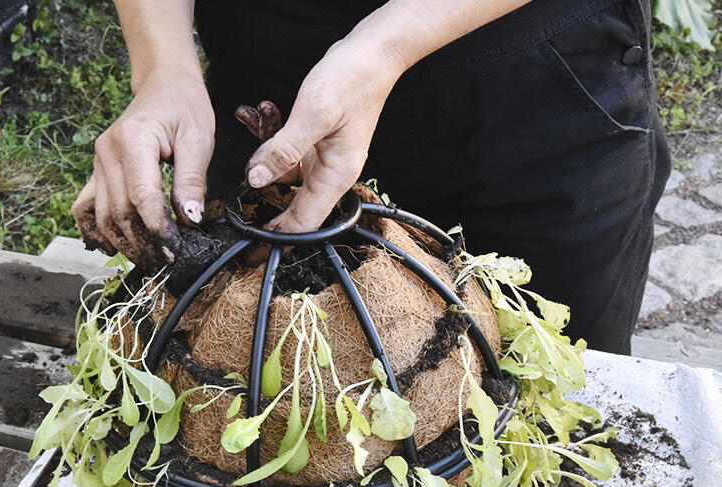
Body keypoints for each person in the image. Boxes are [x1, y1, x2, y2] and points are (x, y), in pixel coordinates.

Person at [71, 0, 670, 354]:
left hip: (521, 81)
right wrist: (163, 69)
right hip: (279, 85)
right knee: (251, 391)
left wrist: (384, 50)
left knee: (540, 401)